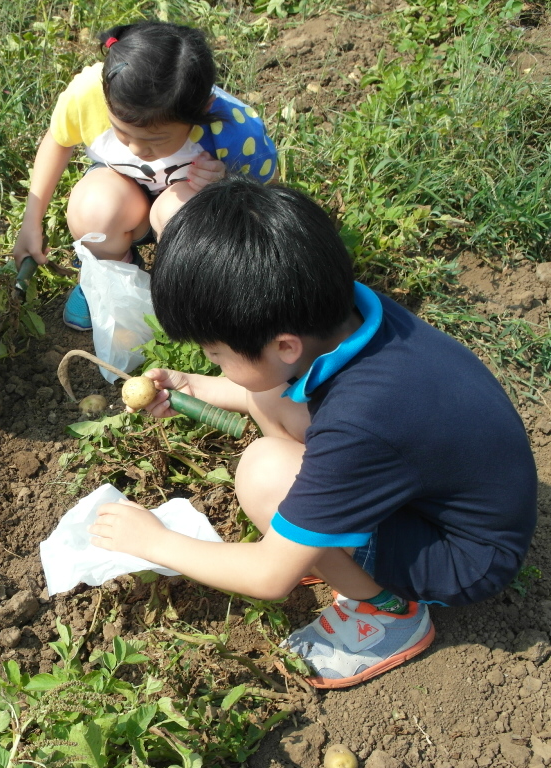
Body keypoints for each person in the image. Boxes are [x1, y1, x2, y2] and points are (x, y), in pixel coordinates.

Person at [88, 178, 537, 688]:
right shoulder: (346, 311)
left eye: (215, 353)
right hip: (452, 494)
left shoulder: (362, 421)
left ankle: (388, 613)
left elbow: (268, 576)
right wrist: (195, 386)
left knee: (264, 476)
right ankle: (325, 545)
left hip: (464, 558)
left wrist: (155, 541)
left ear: (285, 346)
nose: (211, 361)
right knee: (269, 397)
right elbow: (271, 388)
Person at [11, 20, 276, 331]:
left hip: (186, 209)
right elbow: (58, 140)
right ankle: (110, 272)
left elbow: (265, 197)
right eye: (122, 132)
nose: (137, 149)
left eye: (157, 140)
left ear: (203, 110)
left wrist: (226, 183)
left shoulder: (232, 129)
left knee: (178, 212)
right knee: (94, 208)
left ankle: (184, 288)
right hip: (119, 196)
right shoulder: (88, 94)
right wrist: (31, 221)